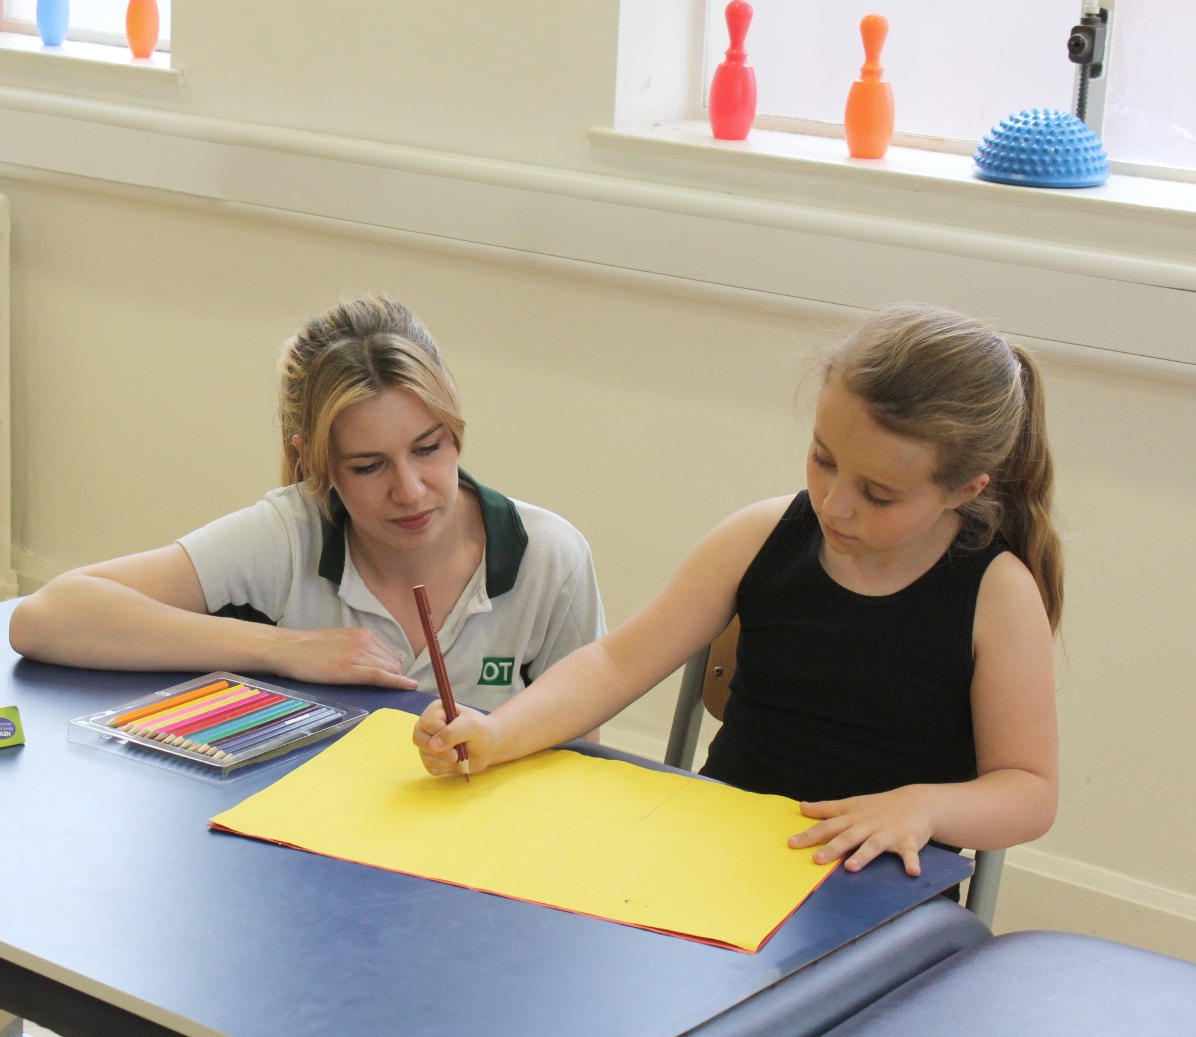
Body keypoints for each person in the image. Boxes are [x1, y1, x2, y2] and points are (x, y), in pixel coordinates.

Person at [414, 303, 1062, 875]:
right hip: (713, 854)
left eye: (878, 494)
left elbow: (1028, 789)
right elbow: (614, 663)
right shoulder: (760, 534)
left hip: (870, 880)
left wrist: (921, 806)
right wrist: (499, 731)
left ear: (963, 488)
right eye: (823, 458)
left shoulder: (996, 593)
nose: (834, 505)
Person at [10, 295, 605, 710]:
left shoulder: (549, 559)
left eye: (428, 448)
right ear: (314, 464)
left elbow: (582, 754)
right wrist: (283, 648)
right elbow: (46, 618)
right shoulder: (291, 533)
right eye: (367, 466)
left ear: (457, 431)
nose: (410, 490)